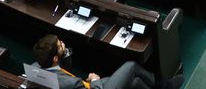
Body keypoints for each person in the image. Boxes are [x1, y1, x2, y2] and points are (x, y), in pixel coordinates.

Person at [30, 34, 181, 89]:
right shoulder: (67, 83)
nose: (63, 44)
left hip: (86, 85)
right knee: (131, 66)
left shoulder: (36, 67)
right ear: (55, 58)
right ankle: (162, 85)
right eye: (60, 46)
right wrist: (95, 80)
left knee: (134, 82)